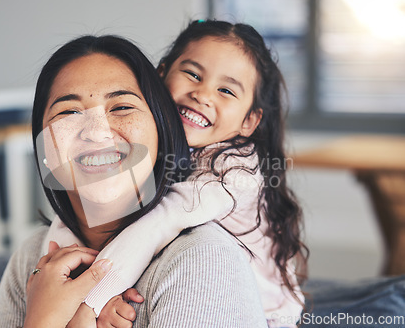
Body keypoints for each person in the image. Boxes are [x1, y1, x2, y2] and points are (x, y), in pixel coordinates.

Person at [0, 35, 268, 328]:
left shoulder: (204, 259)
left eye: (121, 107)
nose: (97, 132)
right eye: (69, 112)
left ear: (163, 130)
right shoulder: (33, 258)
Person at [65, 20, 308, 328]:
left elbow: (158, 224)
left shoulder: (235, 172)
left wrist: (91, 299)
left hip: (265, 315)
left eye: (225, 90)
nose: (203, 94)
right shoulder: (145, 134)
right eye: (193, 74)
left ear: (249, 120)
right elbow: (78, 214)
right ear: (161, 73)